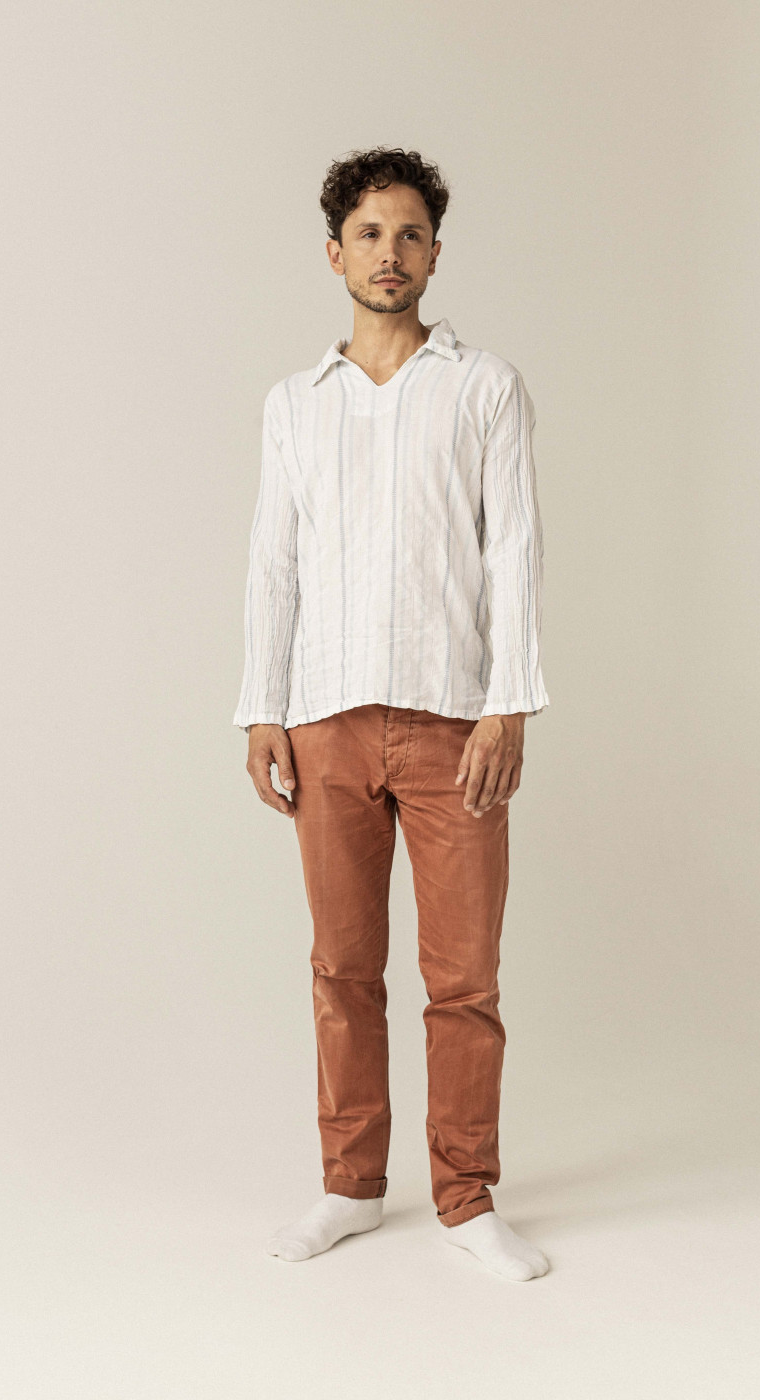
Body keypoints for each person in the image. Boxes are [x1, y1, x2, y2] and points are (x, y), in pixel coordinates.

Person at [233, 147, 550, 1282]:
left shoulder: (483, 387)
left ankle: (466, 1197)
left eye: (410, 234)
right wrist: (261, 708)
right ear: (335, 254)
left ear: (435, 254)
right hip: (324, 717)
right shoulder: (294, 404)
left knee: (464, 978)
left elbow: (514, 551)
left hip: (454, 718)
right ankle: (350, 1185)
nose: (390, 252)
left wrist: (510, 703)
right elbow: (275, 561)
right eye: (369, 233)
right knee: (341, 967)